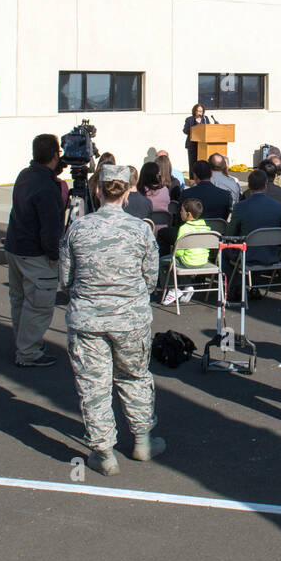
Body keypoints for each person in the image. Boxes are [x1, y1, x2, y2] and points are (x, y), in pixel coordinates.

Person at [60, 164, 164, 474]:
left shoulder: (77, 228)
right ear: (128, 192)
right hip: (130, 318)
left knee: (94, 385)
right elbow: (151, 279)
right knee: (134, 376)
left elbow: (65, 279)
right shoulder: (141, 229)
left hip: (88, 320)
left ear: (98, 191)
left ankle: (103, 451)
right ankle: (142, 440)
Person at [3, 134, 65, 368]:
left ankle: (24, 343)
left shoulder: (26, 175)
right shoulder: (47, 188)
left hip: (15, 247)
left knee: (20, 301)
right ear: (54, 155)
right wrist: (53, 255)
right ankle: (28, 352)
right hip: (34, 253)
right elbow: (50, 227)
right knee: (39, 305)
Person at [227, 168, 281, 300]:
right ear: (265, 186)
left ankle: (237, 286)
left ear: (249, 186)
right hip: (272, 253)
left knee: (224, 251)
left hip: (248, 254)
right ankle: (253, 286)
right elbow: (280, 231)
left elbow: (230, 233)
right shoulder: (277, 206)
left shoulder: (241, 206)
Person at [183, 104, 213, 179]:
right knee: (193, 163)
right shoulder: (189, 119)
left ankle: (202, 178)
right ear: (195, 111)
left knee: (203, 163)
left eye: (201, 111)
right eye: (198, 111)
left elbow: (208, 129)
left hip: (203, 145)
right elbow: (185, 130)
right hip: (192, 145)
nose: (200, 113)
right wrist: (193, 128)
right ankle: (192, 179)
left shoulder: (205, 119)